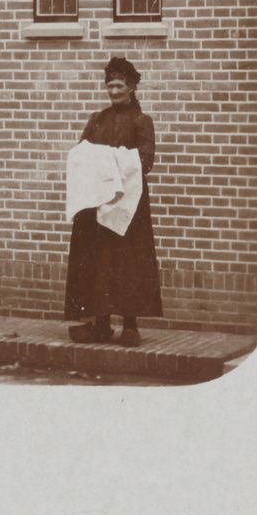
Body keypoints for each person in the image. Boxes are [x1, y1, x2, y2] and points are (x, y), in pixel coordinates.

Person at [64, 55, 163, 346]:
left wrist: (108, 164)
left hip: (127, 205)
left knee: (127, 261)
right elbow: (81, 153)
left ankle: (130, 325)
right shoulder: (97, 119)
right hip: (96, 203)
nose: (114, 91)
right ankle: (100, 323)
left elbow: (145, 161)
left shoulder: (141, 121)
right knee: (97, 261)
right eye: (110, 85)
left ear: (131, 86)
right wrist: (99, 168)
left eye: (120, 85)